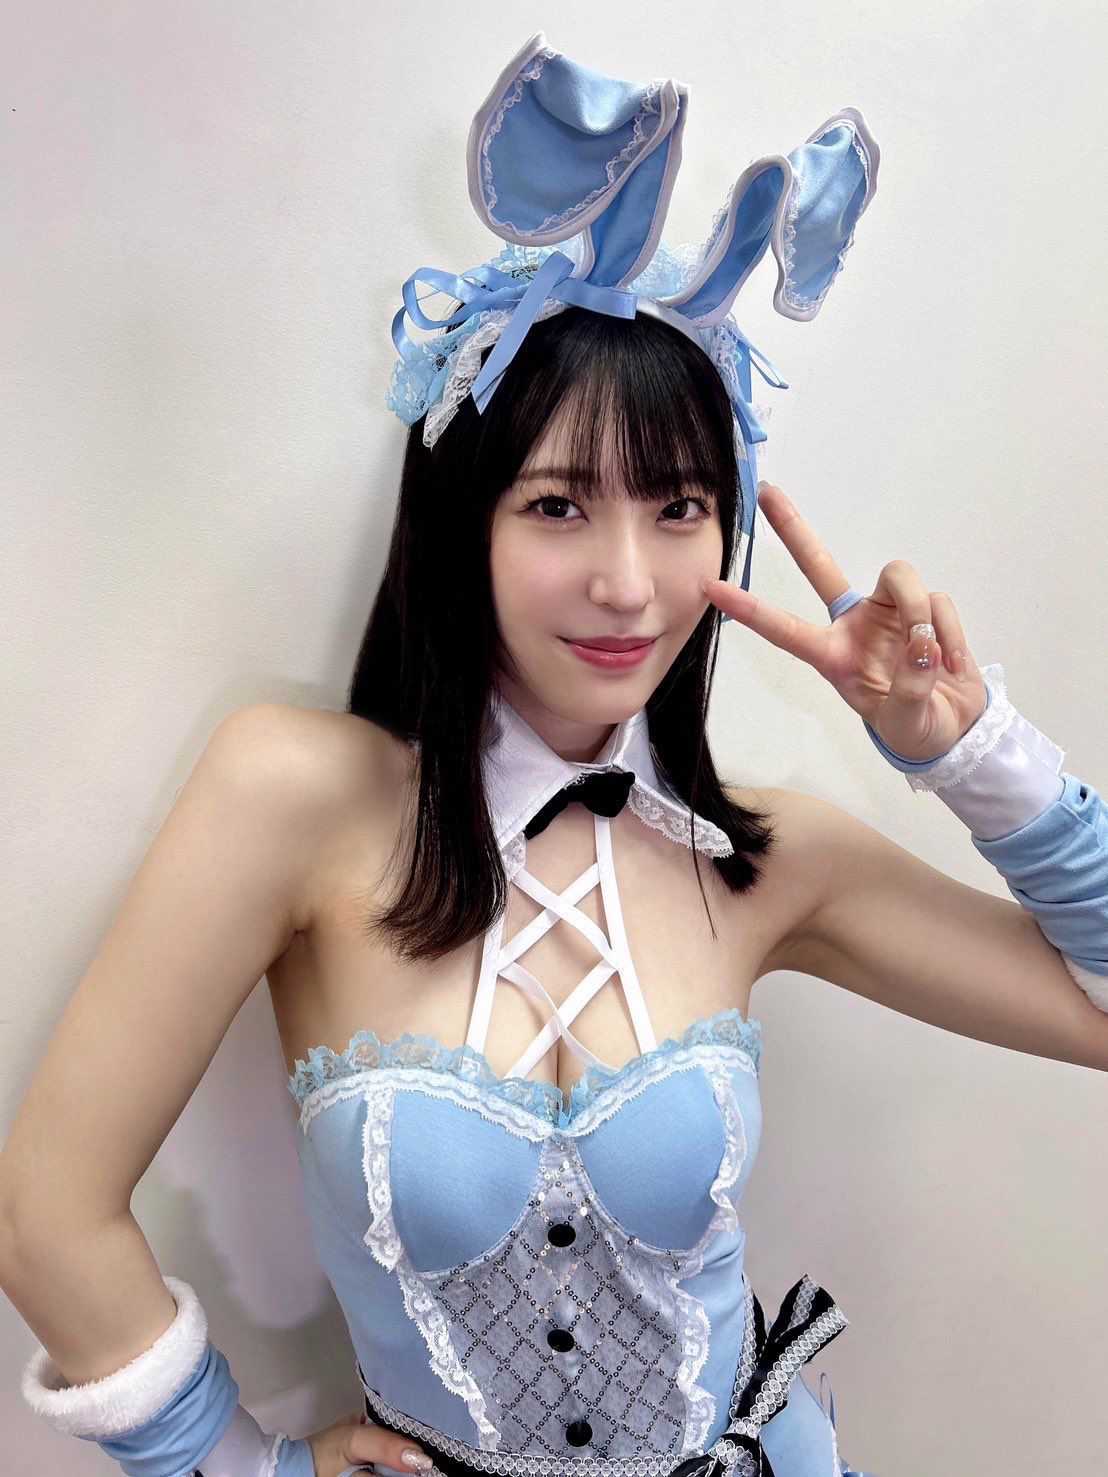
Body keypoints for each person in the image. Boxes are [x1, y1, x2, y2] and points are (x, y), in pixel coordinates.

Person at [5, 29, 1107, 1477]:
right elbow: (47, 1207)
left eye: (679, 508)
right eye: (557, 506)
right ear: (460, 520)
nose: (629, 585)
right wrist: (236, 1464)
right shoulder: (299, 796)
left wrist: (969, 753)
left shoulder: (764, 857)